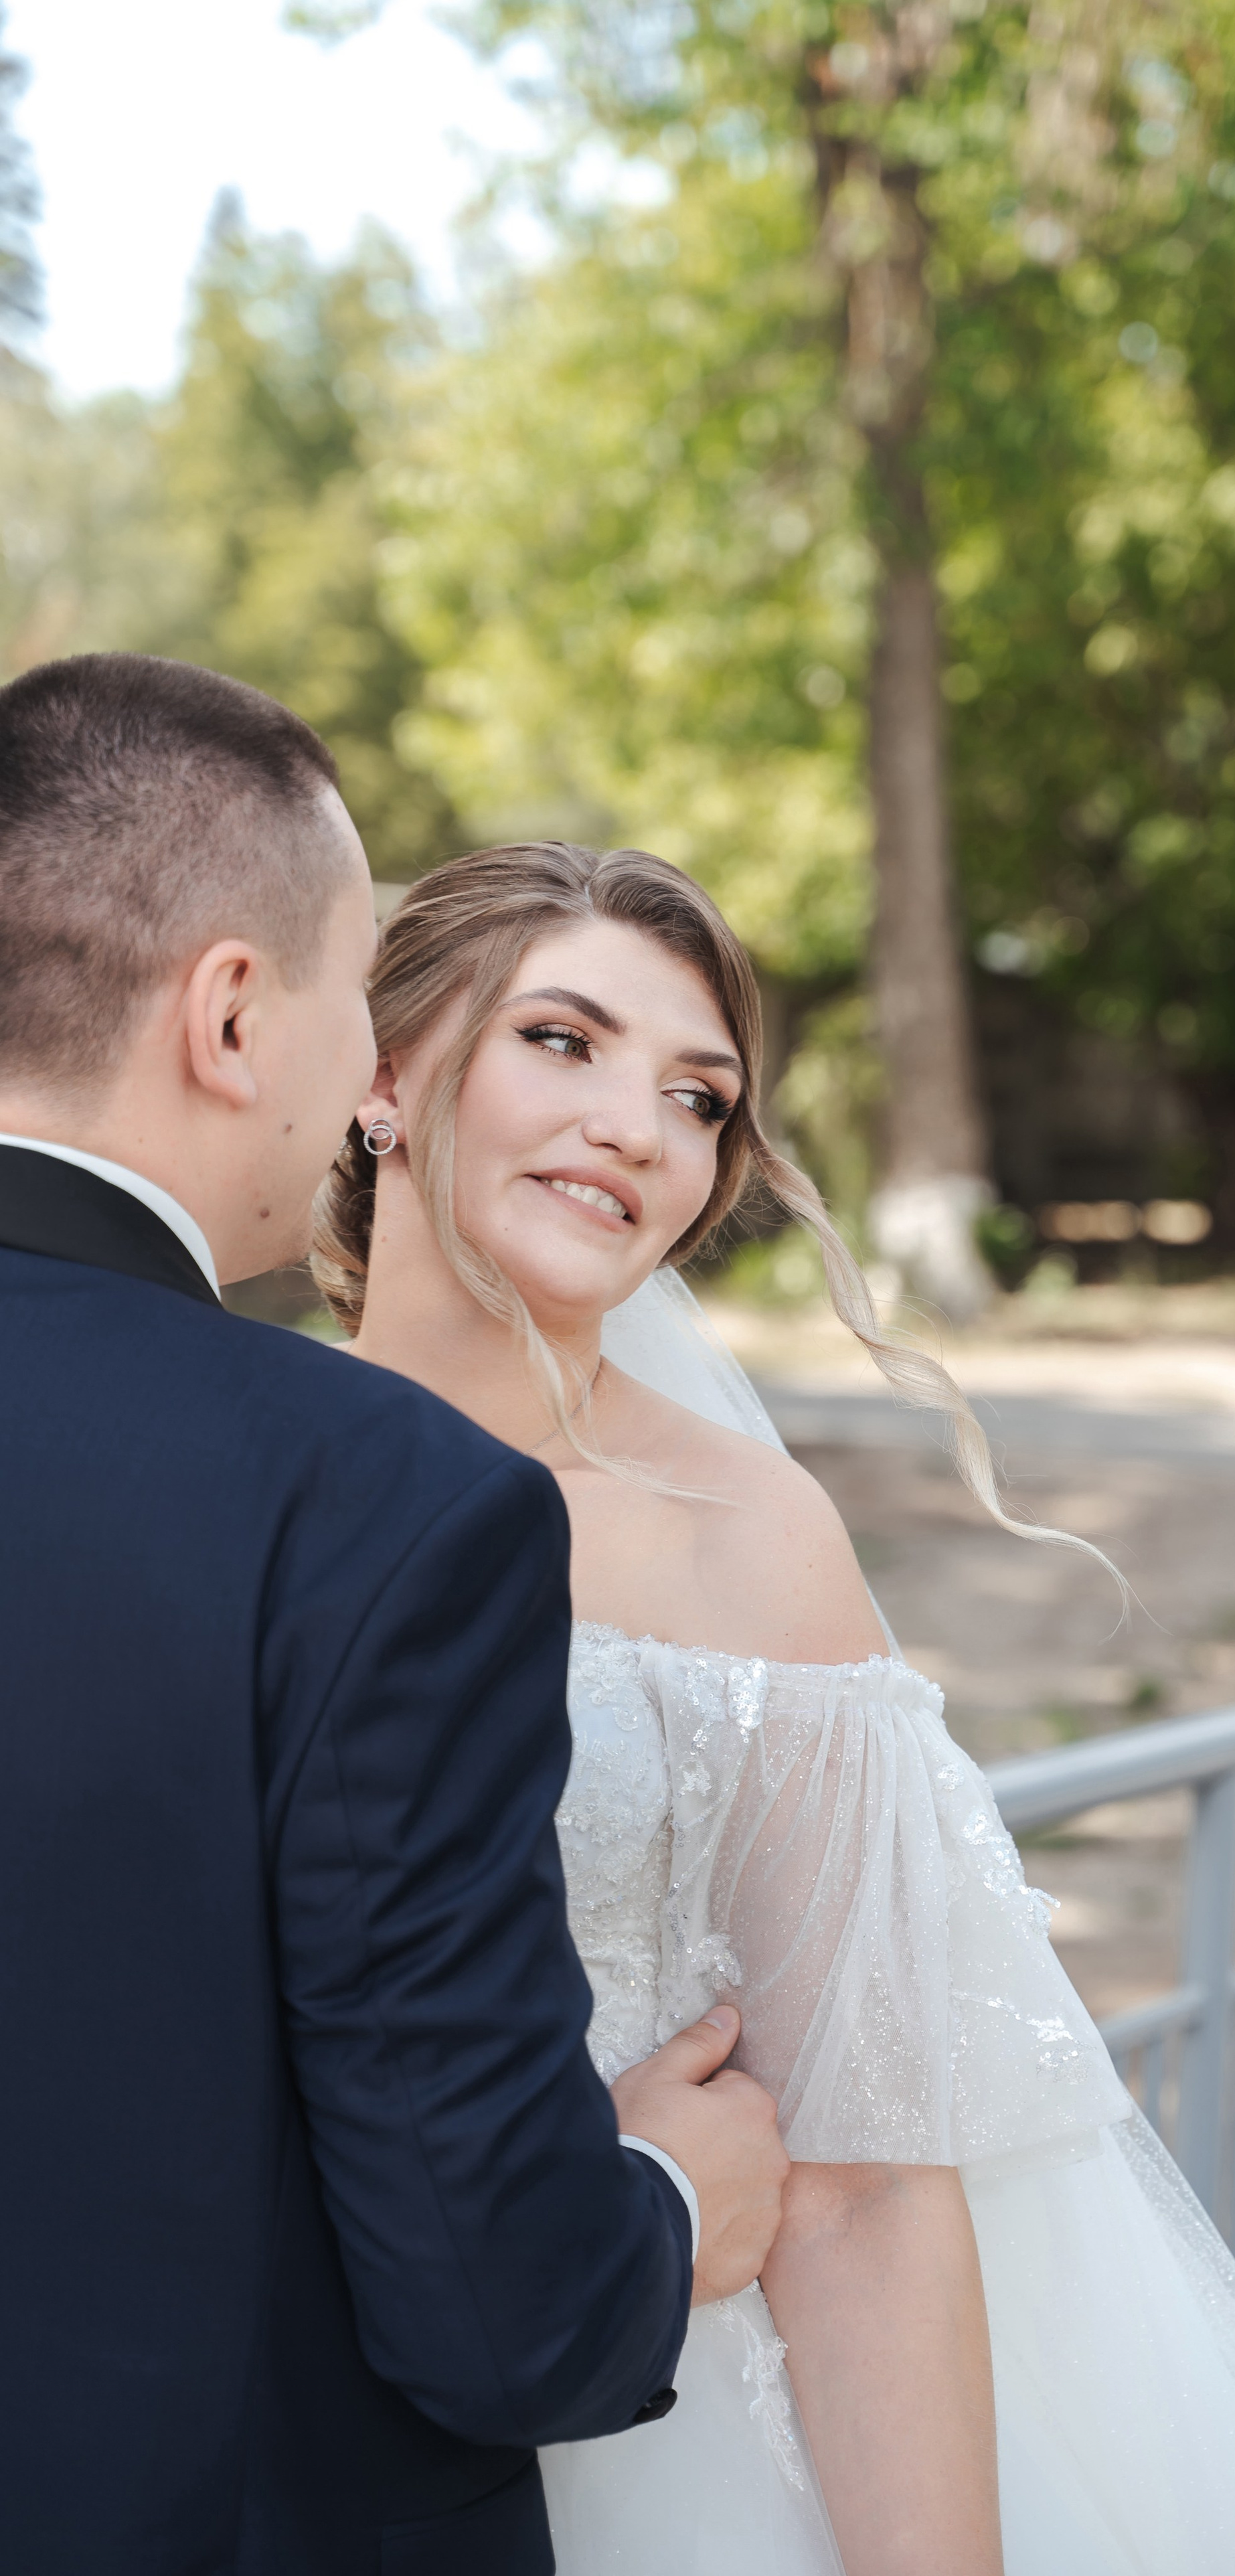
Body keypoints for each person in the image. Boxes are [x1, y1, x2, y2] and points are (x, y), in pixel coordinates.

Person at [317, 835, 1235, 2576]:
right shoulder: (230, 1473)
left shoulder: (743, 1538)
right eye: (565, 1041)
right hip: (296, 2425)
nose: (639, 1124)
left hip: (671, 2439)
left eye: (699, 1097)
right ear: (382, 1077)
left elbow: (858, 2177)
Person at [0, 655, 788, 2576]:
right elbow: (501, 2305)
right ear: (233, 1014)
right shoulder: (369, 1503)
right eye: (357, 993)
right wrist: (673, 2200)